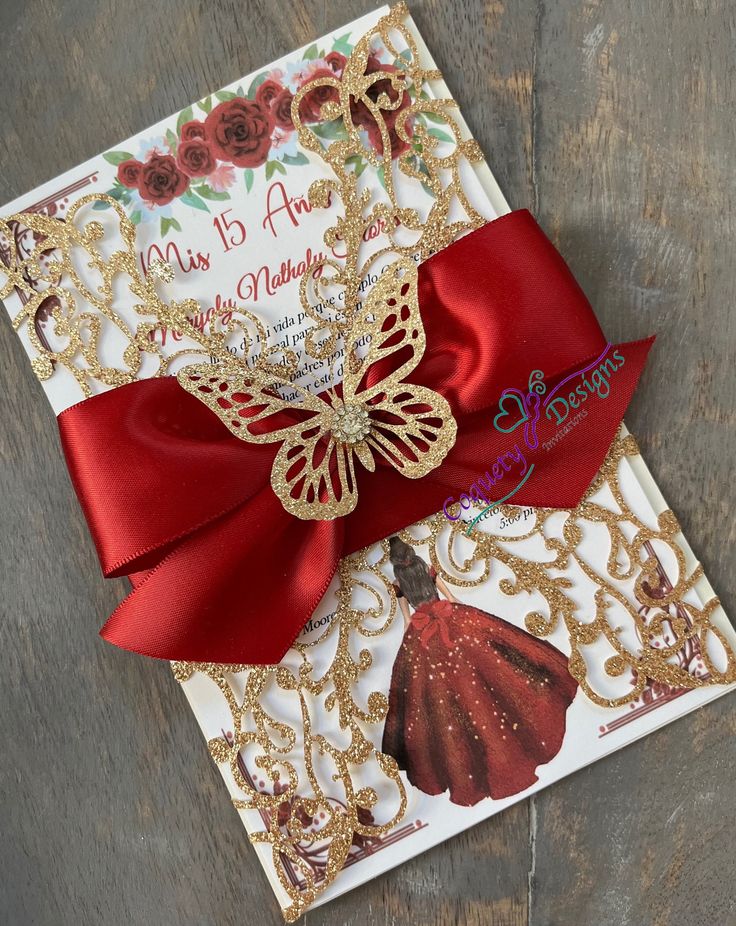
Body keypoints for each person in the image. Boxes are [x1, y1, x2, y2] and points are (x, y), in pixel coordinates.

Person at [382, 536, 578, 806]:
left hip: (423, 634)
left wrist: (410, 642)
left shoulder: (398, 584)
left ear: (395, 566)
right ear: (413, 556)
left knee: (441, 696)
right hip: (452, 617)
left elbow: (406, 621)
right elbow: (452, 597)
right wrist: (463, 616)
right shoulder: (427, 570)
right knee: (488, 670)